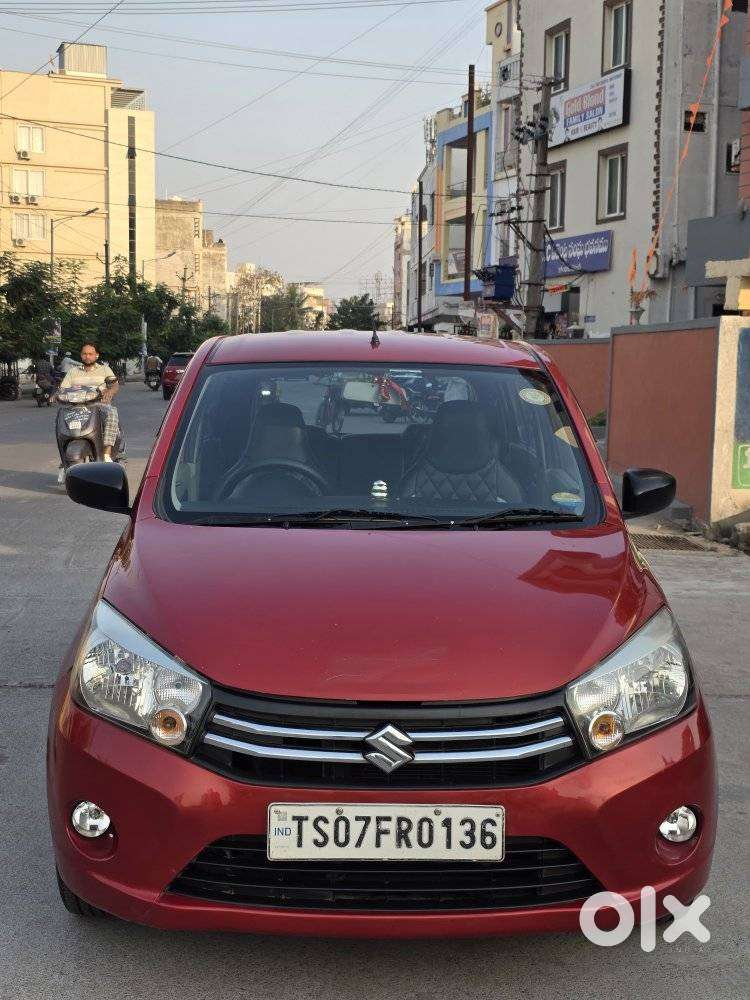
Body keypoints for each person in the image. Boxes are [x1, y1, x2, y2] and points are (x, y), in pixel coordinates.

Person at [58, 343, 121, 461]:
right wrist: (57, 394)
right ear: (81, 356)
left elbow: (114, 385)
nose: (87, 356)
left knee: (112, 414)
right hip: (76, 407)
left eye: (90, 354)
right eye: (84, 354)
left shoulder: (104, 369)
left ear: (96, 355)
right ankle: (64, 456)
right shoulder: (73, 372)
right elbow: (63, 389)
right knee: (60, 418)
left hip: (100, 405)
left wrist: (110, 392)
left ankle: (107, 453)